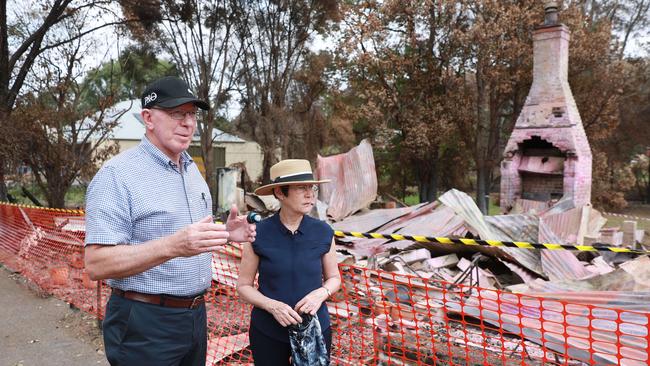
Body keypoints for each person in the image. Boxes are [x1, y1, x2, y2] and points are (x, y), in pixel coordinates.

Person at [84, 76, 256, 366]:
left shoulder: (191, 171)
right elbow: (96, 264)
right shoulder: (117, 175)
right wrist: (173, 245)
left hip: (195, 316)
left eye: (192, 114)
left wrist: (224, 234)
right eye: (177, 113)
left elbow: (190, 237)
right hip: (144, 320)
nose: (188, 123)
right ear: (148, 118)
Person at [237, 159, 341, 365]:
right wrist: (272, 306)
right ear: (279, 193)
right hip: (268, 331)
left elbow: (334, 278)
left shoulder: (323, 232)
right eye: (301, 188)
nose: (310, 194)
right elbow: (243, 286)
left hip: (315, 329)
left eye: (311, 187)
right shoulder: (257, 234)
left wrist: (321, 293)